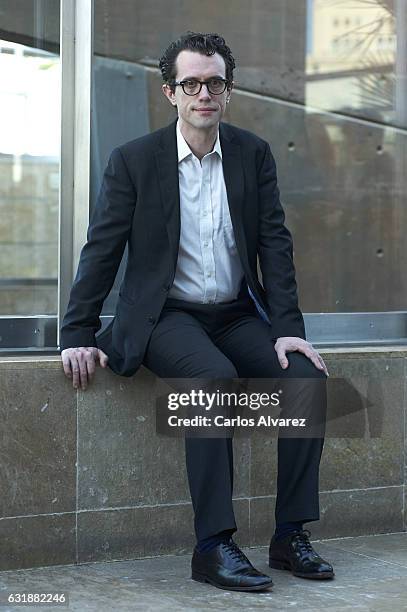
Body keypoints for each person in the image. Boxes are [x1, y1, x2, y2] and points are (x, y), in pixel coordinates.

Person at [60, 31, 334, 592]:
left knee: (305, 379)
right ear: (171, 92)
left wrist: (288, 331)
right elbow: (102, 248)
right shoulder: (135, 162)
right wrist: (77, 331)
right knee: (211, 381)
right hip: (167, 315)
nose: (203, 93)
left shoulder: (252, 154)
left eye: (215, 83)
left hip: (236, 312)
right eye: (191, 83)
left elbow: (274, 246)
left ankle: (290, 536)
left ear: (227, 92)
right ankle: (213, 546)